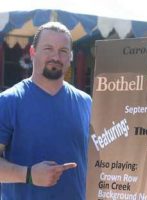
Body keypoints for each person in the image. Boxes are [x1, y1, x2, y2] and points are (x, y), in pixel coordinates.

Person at [0, 22, 92, 200]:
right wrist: (28, 174)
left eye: (63, 51)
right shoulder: (8, 101)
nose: (56, 57)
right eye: (48, 48)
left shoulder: (86, 103)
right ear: (33, 52)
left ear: (70, 56)